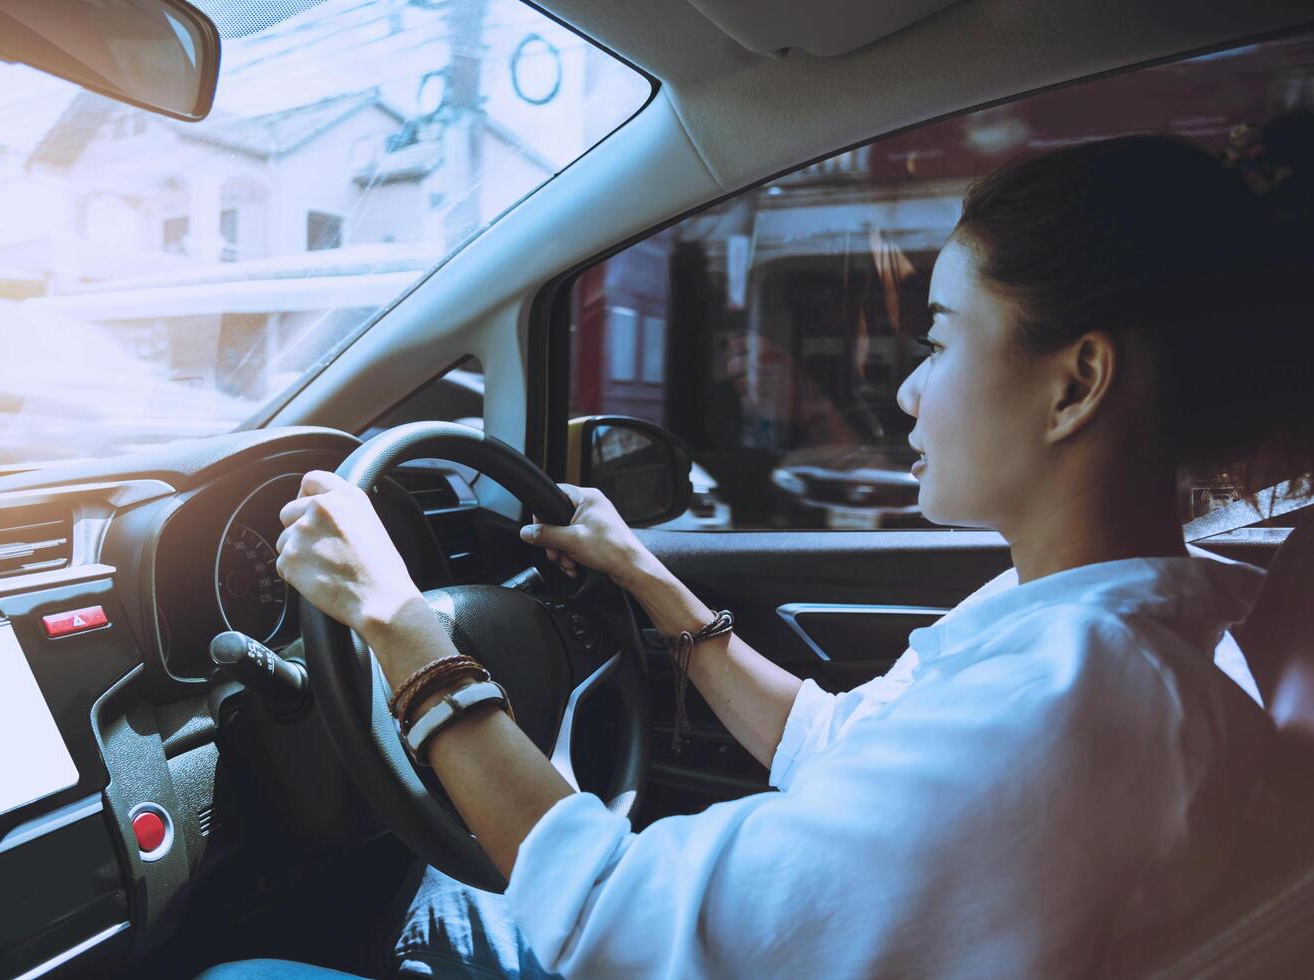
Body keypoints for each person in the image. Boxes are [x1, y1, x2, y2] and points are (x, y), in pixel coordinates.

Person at [200, 134, 1313, 979]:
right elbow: (838, 740)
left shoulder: (1066, 713)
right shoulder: (1113, 614)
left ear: (1075, 381)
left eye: (937, 337)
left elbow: (607, 916)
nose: (909, 388)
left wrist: (403, 629)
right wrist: (644, 575)